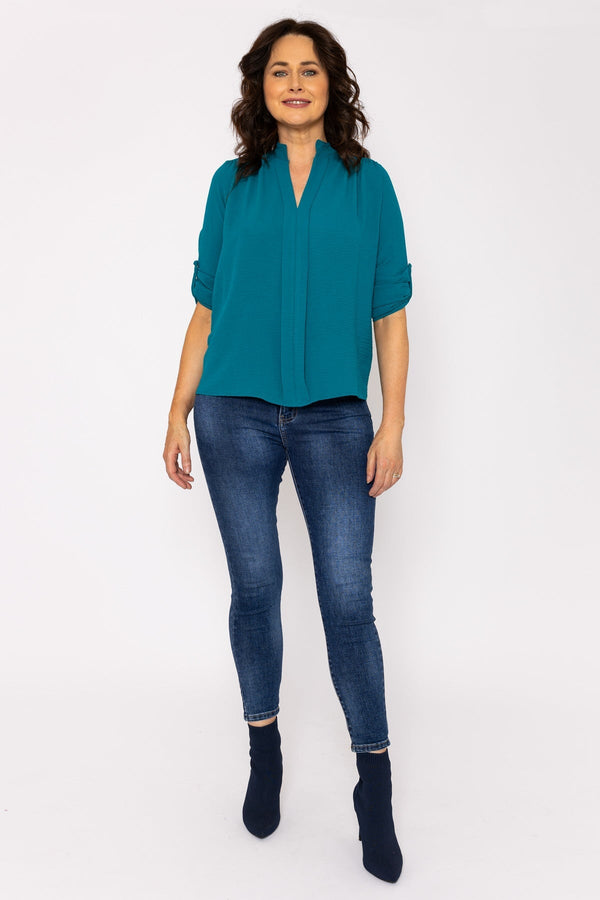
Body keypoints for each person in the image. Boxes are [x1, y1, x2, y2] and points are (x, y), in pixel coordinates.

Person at [163, 18, 412, 885]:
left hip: (336, 418)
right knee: (257, 588)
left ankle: (374, 787)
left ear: (331, 84)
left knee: (347, 601)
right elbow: (205, 308)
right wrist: (177, 407)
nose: (295, 83)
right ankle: (263, 748)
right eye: (280, 70)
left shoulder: (368, 185)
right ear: (260, 86)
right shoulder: (231, 185)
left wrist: (392, 423)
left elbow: (390, 316)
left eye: (309, 69)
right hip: (230, 412)